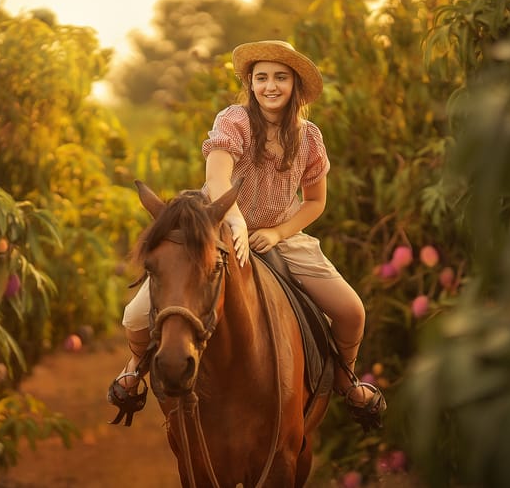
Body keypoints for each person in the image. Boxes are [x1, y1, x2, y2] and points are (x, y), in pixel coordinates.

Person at [109, 40, 385, 429]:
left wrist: (276, 233)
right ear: (250, 84)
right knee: (135, 315)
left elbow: (315, 202)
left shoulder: (309, 138)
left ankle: (345, 376)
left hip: (281, 234)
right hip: (218, 226)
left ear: (295, 86)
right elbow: (218, 178)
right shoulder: (233, 121)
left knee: (351, 310)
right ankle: (136, 367)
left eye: (280, 78)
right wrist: (234, 220)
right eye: (261, 78)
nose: (270, 86)